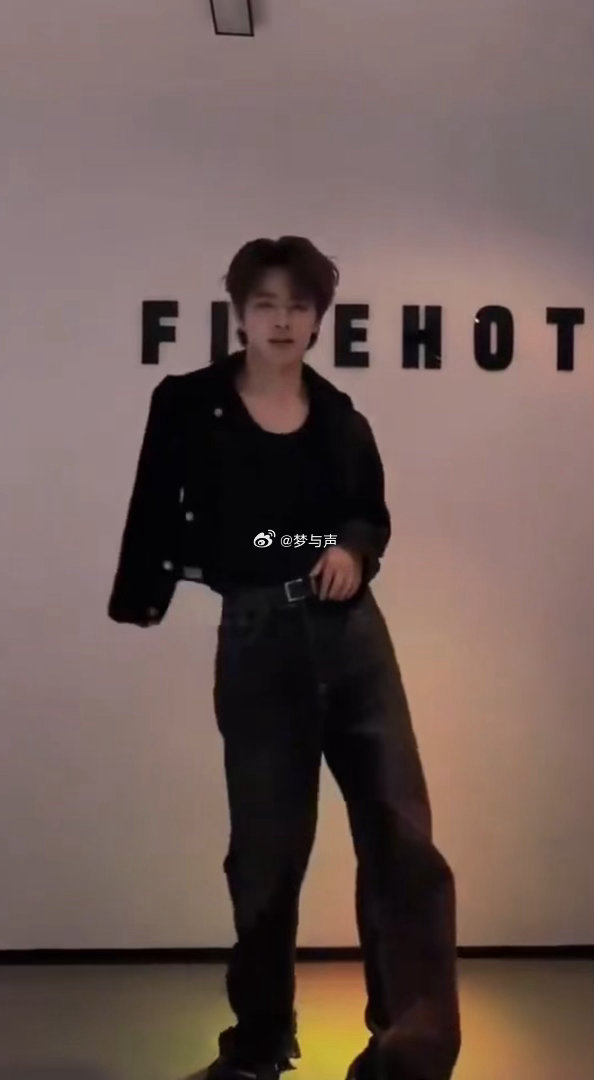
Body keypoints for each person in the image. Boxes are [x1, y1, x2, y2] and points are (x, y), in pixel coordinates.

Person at [108, 237, 461, 1080]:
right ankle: (260, 1043)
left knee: (402, 839)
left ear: (317, 319)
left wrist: (352, 548)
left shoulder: (338, 414)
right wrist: (150, 590)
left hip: (354, 640)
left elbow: (369, 514)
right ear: (240, 313)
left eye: (298, 306)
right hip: (261, 640)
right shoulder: (191, 404)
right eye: (265, 304)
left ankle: (409, 1050)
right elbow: (183, 513)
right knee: (266, 854)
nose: (281, 320)